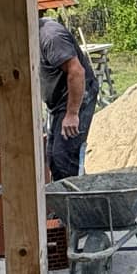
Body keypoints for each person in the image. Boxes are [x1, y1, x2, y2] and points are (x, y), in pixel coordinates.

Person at [40, 10, 95, 181]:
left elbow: (77, 72)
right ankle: (69, 203)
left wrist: (72, 114)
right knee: (54, 158)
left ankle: (76, 206)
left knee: (64, 159)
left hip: (76, 98)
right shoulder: (30, 35)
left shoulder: (51, 37)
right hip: (58, 104)